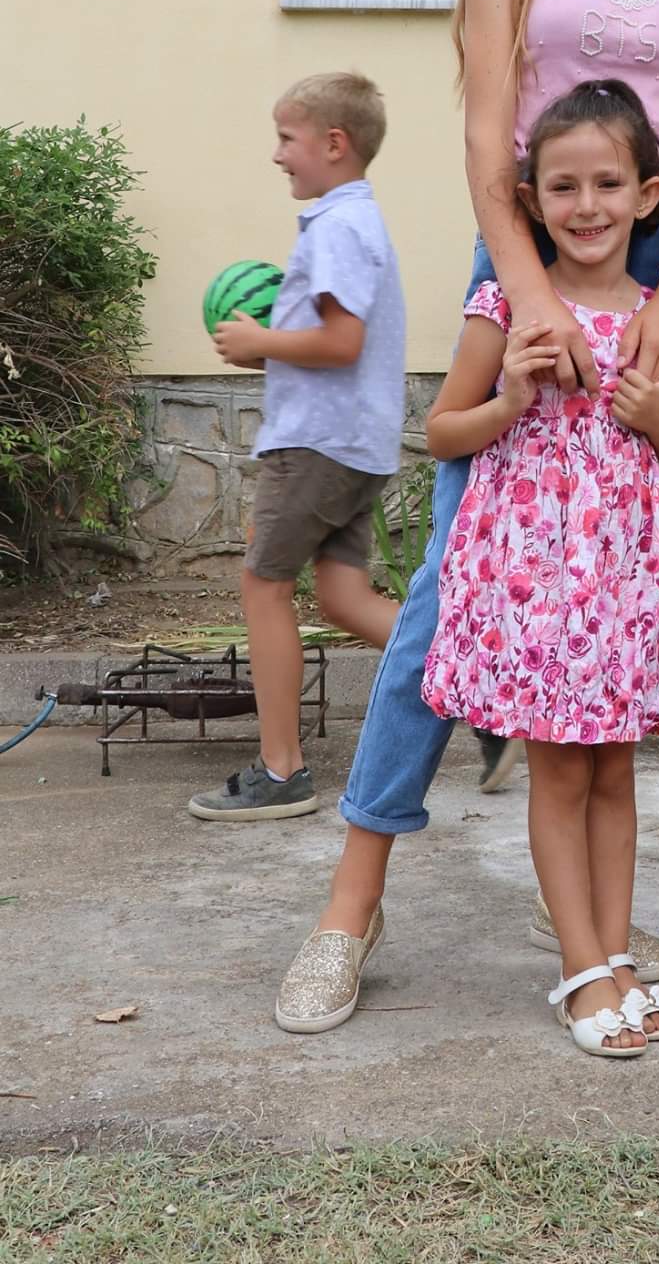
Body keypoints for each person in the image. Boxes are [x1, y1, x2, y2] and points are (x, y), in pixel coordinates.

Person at [274, 0, 659, 1035]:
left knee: (614, 588)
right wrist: (529, 295)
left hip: (652, 283)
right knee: (447, 599)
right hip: (528, 266)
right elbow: (491, 136)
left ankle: (585, 917)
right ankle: (351, 905)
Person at [422, 81, 659, 1057]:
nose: (586, 205)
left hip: (622, 582)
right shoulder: (508, 306)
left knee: (614, 769)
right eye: (562, 186)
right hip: (535, 580)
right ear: (530, 200)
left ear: (648, 194)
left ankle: (616, 955)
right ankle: (580, 968)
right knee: (557, 770)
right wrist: (508, 397)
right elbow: (442, 432)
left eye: (607, 183)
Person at [192, 73, 405, 822]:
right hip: (352, 440)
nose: (278, 154)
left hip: (316, 440)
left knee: (263, 586)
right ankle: (481, 691)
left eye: (288, 138)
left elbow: (342, 342)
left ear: (334, 144)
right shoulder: (352, 220)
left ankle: (282, 769)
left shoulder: (339, 227)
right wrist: (273, 348)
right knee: (344, 598)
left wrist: (259, 342)